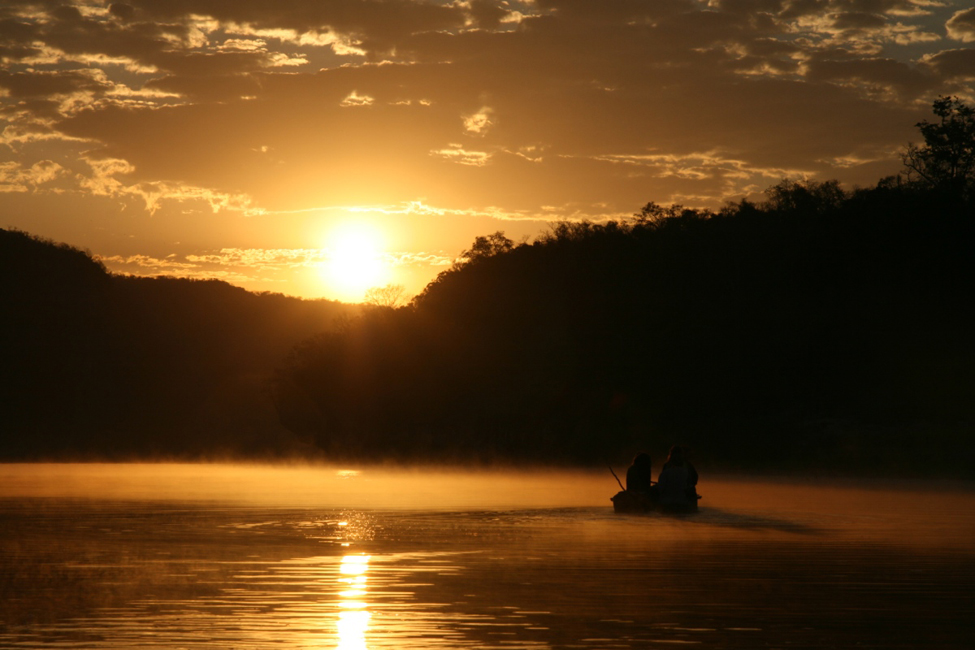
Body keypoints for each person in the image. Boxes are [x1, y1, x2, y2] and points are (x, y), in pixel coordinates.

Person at [656, 445, 699, 510]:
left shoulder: (666, 466)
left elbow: (661, 485)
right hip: (683, 497)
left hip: (667, 499)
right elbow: (694, 479)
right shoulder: (687, 464)